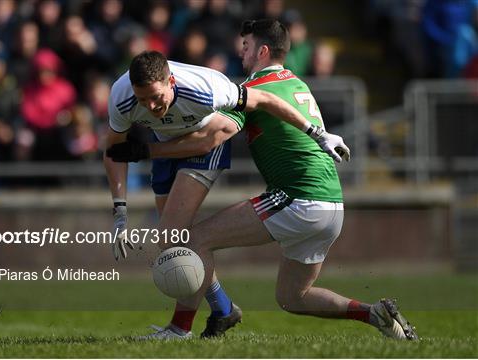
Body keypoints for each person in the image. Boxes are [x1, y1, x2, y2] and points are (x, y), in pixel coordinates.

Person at [108, 20, 417, 341]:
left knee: (194, 241)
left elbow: (208, 140)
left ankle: (179, 329)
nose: (240, 53)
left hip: (298, 198)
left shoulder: (257, 88)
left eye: (245, 47)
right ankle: (374, 313)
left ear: (263, 50)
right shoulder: (296, 83)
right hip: (333, 206)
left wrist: (146, 150)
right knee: (292, 298)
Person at [104, 50, 350, 337]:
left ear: (171, 80)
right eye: (142, 99)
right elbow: (113, 152)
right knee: (175, 244)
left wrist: (318, 134)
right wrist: (120, 212)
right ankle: (222, 309)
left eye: (156, 96)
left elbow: (267, 100)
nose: (151, 105)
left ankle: (180, 329)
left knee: (173, 236)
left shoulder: (208, 88)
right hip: (164, 146)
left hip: (203, 144)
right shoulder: (121, 98)